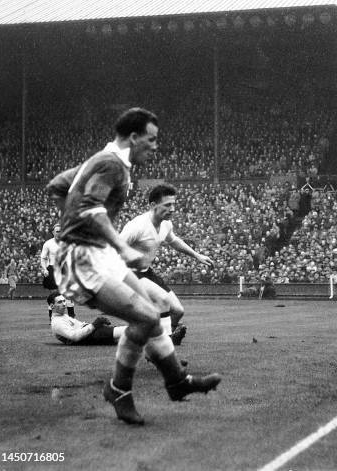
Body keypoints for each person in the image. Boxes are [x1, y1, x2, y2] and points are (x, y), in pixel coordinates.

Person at [47, 107, 221, 425]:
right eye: (151, 140)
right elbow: (91, 208)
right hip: (84, 259)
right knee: (147, 316)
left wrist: (69, 218)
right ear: (133, 137)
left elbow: (57, 187)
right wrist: (118, 244)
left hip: (98, 253)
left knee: (151, 312)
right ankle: (120, 389)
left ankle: (176, 382)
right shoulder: (111, 164)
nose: (155, 146)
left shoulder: (102, 162)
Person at [119, 183, 214, 343]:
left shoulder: (165, 224)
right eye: (167, 205)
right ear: (153, 205)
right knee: (162, 303)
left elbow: (173, 240)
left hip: (146, 273)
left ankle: (167, 340)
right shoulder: (137, 226)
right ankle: (161, 346)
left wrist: (197, 256)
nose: (172, 209)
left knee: (178, 311)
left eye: (174, 204)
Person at [49, 291, 124, 345]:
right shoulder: (57, 323)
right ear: (52, 306)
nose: (64, 304)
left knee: (126, 336)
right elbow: (74, 337)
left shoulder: (62, 316)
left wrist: (94, 325)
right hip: (90, 337)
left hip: (91, 334)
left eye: (64, 301)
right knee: (126, 331)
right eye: (60, 302)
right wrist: (94, 325)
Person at [41, 223, 76, 320]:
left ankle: (71, 317)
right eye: (57, 231)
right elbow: (43, 258)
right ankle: (52, 318)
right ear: (53, 232)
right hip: (52, 269)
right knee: (54, 296)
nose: (59, 233)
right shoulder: (48, 244)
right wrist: (44, 269)